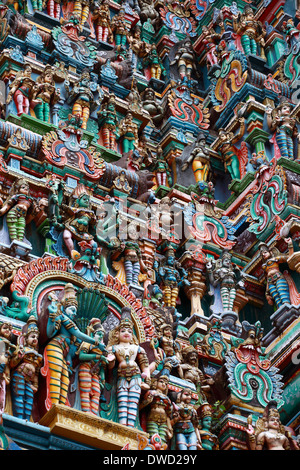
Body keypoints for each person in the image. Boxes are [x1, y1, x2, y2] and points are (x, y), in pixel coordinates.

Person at [106, 307, 150, 427]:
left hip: (136, 377)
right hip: (122, 377)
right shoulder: (113, 348)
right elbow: (110, 367)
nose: (126, 333)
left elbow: (144, 364)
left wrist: (147, 377)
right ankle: (122, 426)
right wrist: (111, 361)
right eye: (123, 331)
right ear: (117, 333)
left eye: (129, 331)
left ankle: (130, 428)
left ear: (133, 335)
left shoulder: (137, 348)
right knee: (122, 401)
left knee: (133, 403)